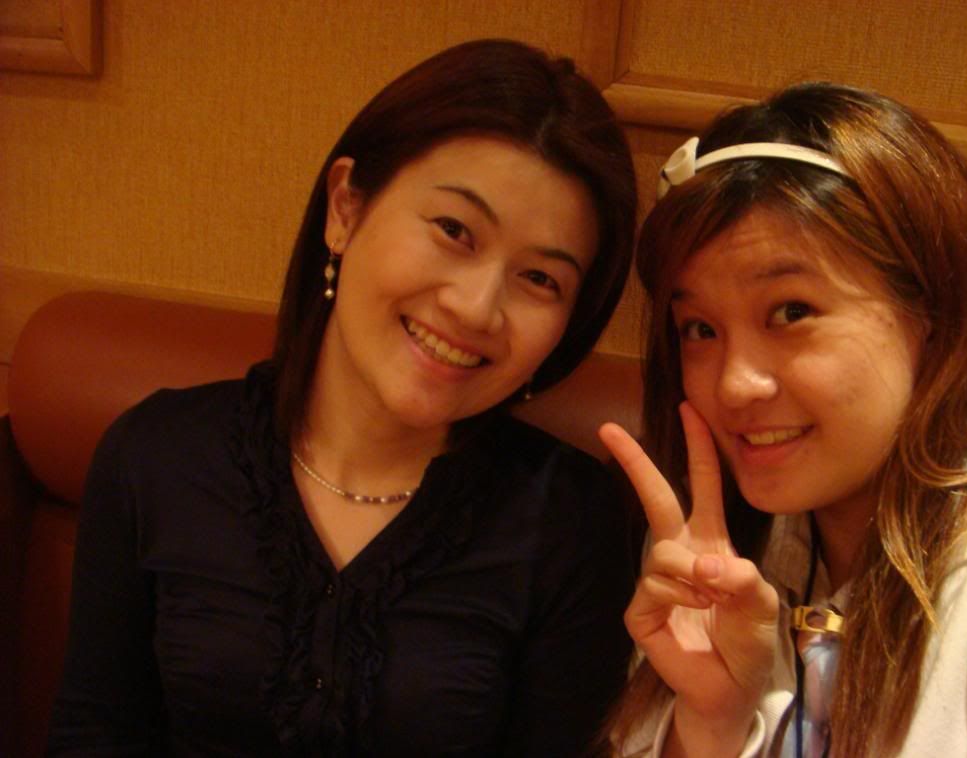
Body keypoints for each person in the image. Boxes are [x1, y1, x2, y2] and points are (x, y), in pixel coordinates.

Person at [49, 39, 640, 756]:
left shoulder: (572, 522)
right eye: (454, 231)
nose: (477, 308)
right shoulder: (155, 456)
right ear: (345, 208)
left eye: (541, 279)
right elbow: (93, 735)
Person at [604, 82, 967, 757]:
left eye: (792, 312)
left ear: (935, 316)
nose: (734, 385)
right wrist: (711, 719)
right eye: (699, 328)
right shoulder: (710, 547)